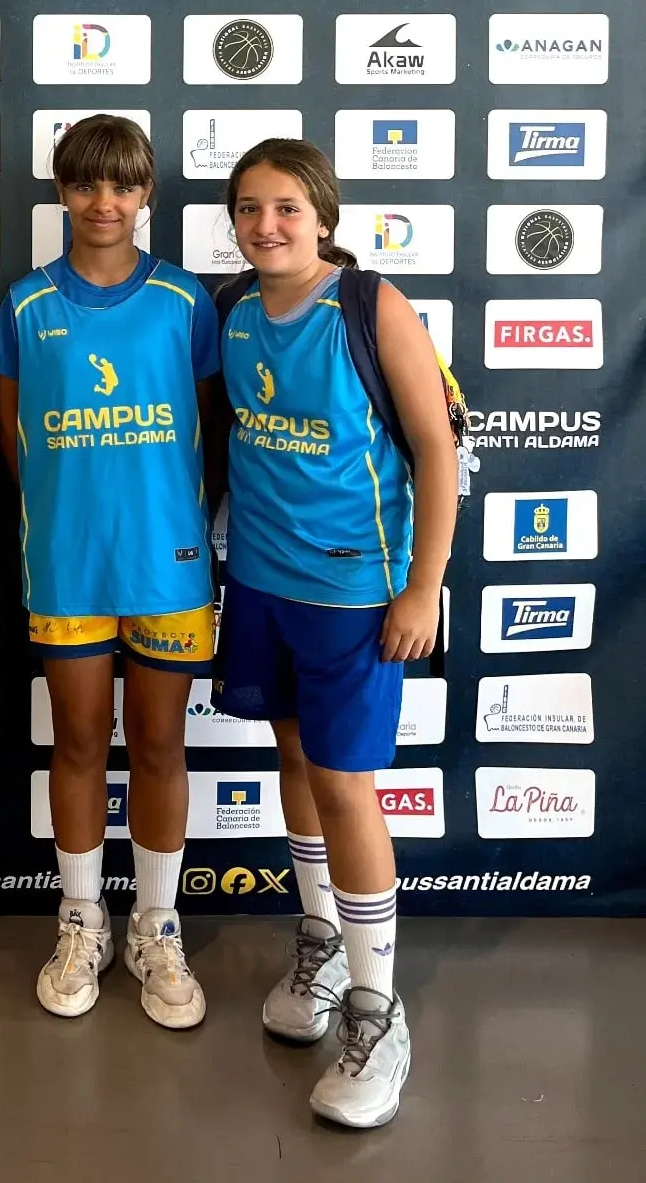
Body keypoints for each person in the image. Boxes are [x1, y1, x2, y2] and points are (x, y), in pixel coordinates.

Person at [212, 138, 458, 1128]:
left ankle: (377, 1010)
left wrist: (422, 588)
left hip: (356, 592)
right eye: (249, 207)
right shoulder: (231, 309)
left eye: (286, 207)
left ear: (323, 216)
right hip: (261, 582)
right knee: (297, 762)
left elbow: (437, 449)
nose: (266, 225)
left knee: (347, 786)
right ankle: (319, 945)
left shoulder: (370, 305)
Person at [0, 114, 220, 1027]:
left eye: (122, 185)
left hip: (169, 565)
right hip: (69, 565)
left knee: (161, 747)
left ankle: (157, 926)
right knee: (80, 744)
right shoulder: (25, 306)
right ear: (61, 191)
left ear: (146, 194)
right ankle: (81, 919)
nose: (103, 202)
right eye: (86, 184)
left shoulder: (185, 301)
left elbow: (214, 430)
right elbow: (15, 443)